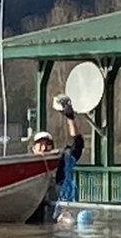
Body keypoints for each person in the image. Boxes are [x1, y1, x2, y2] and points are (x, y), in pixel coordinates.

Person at [27, 94, 84, 223]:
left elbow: (78, 144)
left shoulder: (62, 159)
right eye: (40, 144)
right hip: (33, 211)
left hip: (56, 207)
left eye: (47, 144)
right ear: (33, 148)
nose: (44, 147)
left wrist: (70, 119)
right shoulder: (26, 166)